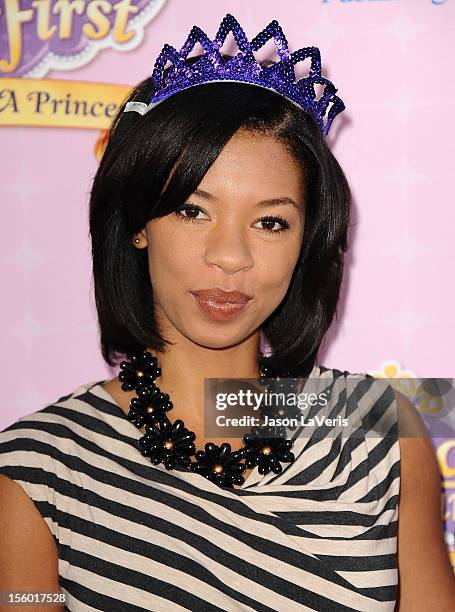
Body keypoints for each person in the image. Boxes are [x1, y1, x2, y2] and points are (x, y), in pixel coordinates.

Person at [1, 13, 454, 612]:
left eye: (270, 222)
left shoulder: (379, 428)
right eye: (193, 211)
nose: (231, 257)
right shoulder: (38, 467)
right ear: (139, 224)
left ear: (306, 243)